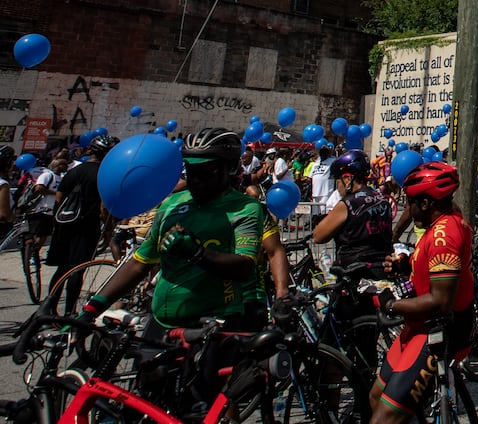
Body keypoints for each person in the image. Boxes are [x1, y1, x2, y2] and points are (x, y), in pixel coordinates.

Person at [82, 129, 267, 331]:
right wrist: (94, 307)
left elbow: (245, 265)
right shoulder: (172, 203)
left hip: (212, 323)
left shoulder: (245, 208)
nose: (196, 178)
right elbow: (140, 262)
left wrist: (198, 253)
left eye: (206, 171)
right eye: (190, 170)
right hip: (161, 321)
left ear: (230, 167)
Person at [371, 163, 474, 424]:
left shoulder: (444, 235)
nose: (408, 208)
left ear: (426, 203)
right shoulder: (440, 223)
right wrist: (406, 265)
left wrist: (391, 305)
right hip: (420, 327)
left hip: (439, 332)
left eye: (411, 202)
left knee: (385, 418)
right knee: (376, 396)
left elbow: (440, 302)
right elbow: (430, 271)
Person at [46, 134, 116, 313]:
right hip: (86, 226)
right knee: (78, 269)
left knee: (62, 268)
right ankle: (69, 310)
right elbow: (103, 207)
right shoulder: (104, 174)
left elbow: (59, 198)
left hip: (65, 224)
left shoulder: (74, 170)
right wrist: (108, 231)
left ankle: (49, 306)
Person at [313, 149, 393, 276]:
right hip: (382, 269)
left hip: (354, 271)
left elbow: (318, 236)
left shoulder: (347, 204)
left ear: (347, 179)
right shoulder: (382, 200)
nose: (337, 188)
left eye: (337, 182)